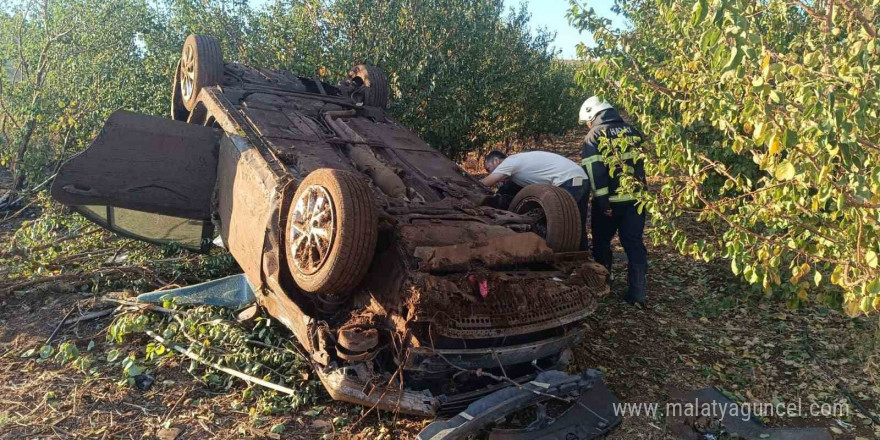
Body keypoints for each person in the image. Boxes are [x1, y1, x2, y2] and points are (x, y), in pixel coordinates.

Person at [578, 96, 648, 305]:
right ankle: (638, 294)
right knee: (634, 244)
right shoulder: (633, 131)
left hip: (610, 203)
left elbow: (594, 170)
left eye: (588, 121)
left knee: (601, 242)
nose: (588, 126)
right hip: (636, 201)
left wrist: (602, 202)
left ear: (593, 114)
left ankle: (603, 285)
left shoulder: (595, 135)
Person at [481, 150, 589, 250]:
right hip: (580, 177)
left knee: (559, 225)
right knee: (577, 223)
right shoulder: (519, 165)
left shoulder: (509, 162)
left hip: (569, 180)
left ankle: (553, 256)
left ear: (496, 161)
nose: (489, 173)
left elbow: (486, 182)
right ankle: (584, 257)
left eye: (489, 169)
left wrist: (469, 186)